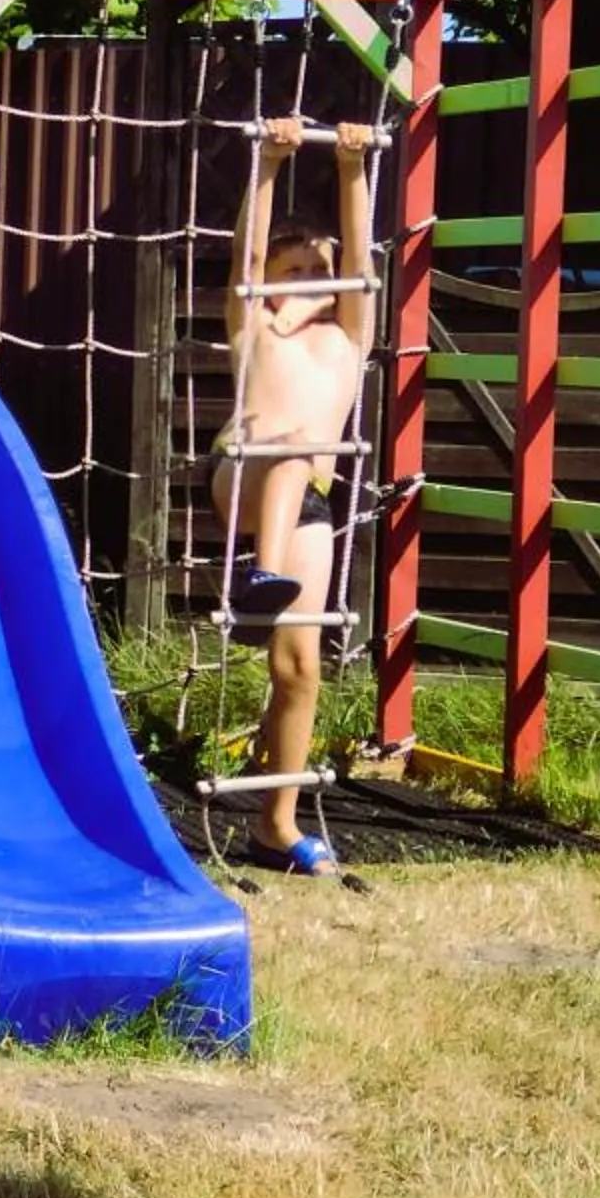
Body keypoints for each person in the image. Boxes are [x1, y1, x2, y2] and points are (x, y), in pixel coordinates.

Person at [212, 117, 376, 878]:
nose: (312, 279)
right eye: (294, 270)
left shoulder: (347, 337)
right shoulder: (259, 328)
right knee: (282, 456)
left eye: (321, 268)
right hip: (242, 475)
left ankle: (275, 826)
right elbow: (245, 258)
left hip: (308, 504)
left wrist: (351, 169)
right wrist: (269, 164)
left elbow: (361, 260)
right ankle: (255, 576)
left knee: (299, 669)